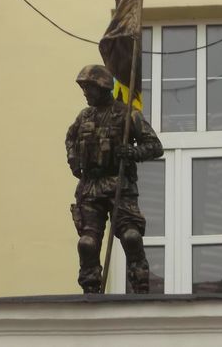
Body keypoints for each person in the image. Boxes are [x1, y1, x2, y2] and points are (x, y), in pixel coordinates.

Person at [65, 65, 163, 294]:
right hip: (90, 187)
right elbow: (70, 139)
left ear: (103, 88)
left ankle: (140, 285)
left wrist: (132, 152)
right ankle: (90, 289)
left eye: (89, 89)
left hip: (119, 184)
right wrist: (74, 159)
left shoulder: (127, 114)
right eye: (84, 89)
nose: (86, 94)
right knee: (87, 243)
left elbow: (155, 146)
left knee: (131, 237)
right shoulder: (84, 116)